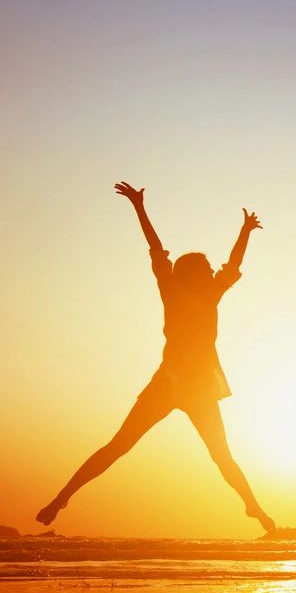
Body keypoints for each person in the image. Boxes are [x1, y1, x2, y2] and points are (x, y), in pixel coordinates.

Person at [36, 181, 276, 534]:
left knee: (221, 456)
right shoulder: (172, 290)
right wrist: (138, 206)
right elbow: (157, 249)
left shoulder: (212, 294)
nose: (212, 274)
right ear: (190, 273)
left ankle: (255, 510)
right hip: (168, 384)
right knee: (119, 445)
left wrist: (244, 232)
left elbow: (232, 264)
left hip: (197, 389)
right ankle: (62, 497)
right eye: (206, 270)